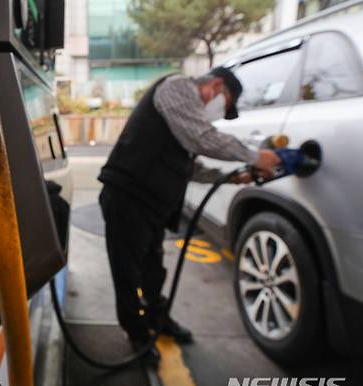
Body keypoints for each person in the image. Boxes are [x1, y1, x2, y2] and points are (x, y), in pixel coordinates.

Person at [97, 67, 281, 354]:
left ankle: (158, 319)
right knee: (127, 273)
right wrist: (257, 156)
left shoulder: (184, 116)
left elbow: (187, 164)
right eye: (224, 103)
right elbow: (201, 138)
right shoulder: (177, 86)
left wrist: (233, 177)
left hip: (152, 205)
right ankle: (137, 333)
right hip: (128, 197)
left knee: (153, 270)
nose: (214, 110)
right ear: (216, 85)